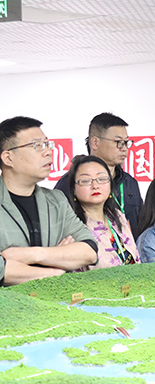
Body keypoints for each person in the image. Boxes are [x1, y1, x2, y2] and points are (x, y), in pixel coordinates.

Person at [0, 117, 97, 285]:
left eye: (47, 144)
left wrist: (35, 255)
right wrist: (56, 270)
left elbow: (89, 250)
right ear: (8, 158)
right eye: (37, 146)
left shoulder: (56, 200)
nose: (48, 152)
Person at [55, 112, 144, 238]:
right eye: (118, 142)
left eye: (126, 142)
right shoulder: (71, 182)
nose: (124, 148)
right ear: (95, 142)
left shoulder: (130, 182)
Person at [67, 155, 140, 270]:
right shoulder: (71, 227)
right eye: (86, 181)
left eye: (102, 179)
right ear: (73, 190)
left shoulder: (118, 216)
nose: (95, 186)